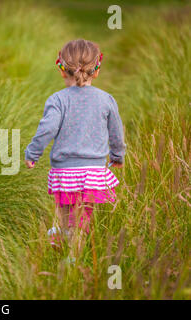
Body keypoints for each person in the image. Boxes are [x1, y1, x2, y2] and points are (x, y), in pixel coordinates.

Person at [25, 39, 126, 263]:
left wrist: (33, 153)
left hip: (65, 170)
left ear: (62, 70)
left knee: (65, 207)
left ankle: (71, 255)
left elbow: (46, 130)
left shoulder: (58, 100)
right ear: (96, 70)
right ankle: (66, 242)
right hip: (93, 170)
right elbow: (116, 132)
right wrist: (118, 156)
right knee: (82, 216)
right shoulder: (106, 99)